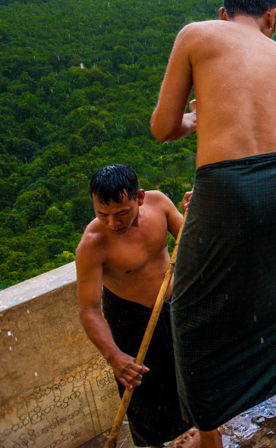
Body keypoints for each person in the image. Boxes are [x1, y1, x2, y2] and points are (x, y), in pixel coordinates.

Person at [150, 0, 276, 434]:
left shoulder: (197, 34)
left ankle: (208, 431)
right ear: (272, 17)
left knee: (190, 308)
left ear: (224, 13)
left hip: (225, 184)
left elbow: (163, 127)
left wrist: (195, 118)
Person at [75, 165, 222, 448]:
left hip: (173, 302)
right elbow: (89, 310)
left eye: (121, 213)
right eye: (101, 214)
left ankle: (199, 434)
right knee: (146, 394)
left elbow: (190, 243)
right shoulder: (93, 244)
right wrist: (114, 357)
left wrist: (195, 215)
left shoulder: (159, 204)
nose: (112, 223)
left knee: (191, 375)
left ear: (139, 198)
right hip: (129, 318)